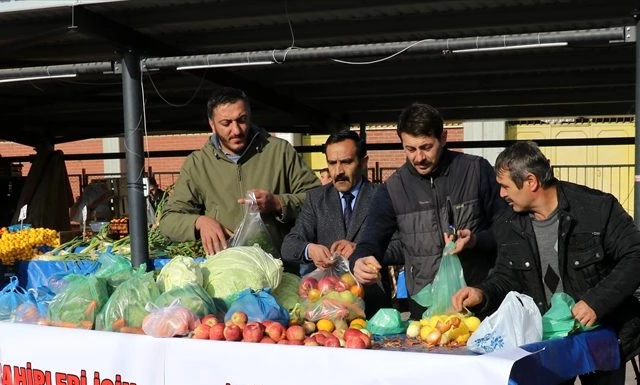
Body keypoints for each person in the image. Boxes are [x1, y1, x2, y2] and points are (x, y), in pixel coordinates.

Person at [451, 142, 640, 385]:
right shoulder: (508, 223)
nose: (501, 194)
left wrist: (597, 301)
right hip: (547, 346)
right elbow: (505, 279)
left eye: (506, 186)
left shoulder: (597, 208)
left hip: (602, 338)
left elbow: (638, 256)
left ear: (531, 181)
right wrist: (481, 293)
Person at [350, 102, 505, 316]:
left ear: (443, 138)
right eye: (410, 149)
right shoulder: (392, 189)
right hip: (424, 307)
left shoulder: (476, 170)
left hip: (479, 299)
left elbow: (508, 229)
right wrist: (359, 261)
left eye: (426, 147)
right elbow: (370, 242)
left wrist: (476, 241)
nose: (418, 158)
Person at [157, 87, 320, 256]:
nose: (236, 130)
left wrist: (278, 203)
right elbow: (169, 221)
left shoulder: (280, 152)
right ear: (212, 124)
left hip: (280, 267)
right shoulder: (197, 163)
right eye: (226, 123)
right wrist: (199, 222)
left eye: (242, 120)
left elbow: (318, 200)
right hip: (225, 269)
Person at [280, 132, 402, 308]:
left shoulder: (382, 196)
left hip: (373, 306)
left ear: (364, 162)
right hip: (328, 307)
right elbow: (289, 246)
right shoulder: (316, 199)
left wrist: (361, 251)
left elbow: (402, 246)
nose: (338, 171)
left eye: (346, 162)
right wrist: (310, 249)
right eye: (332, 163)